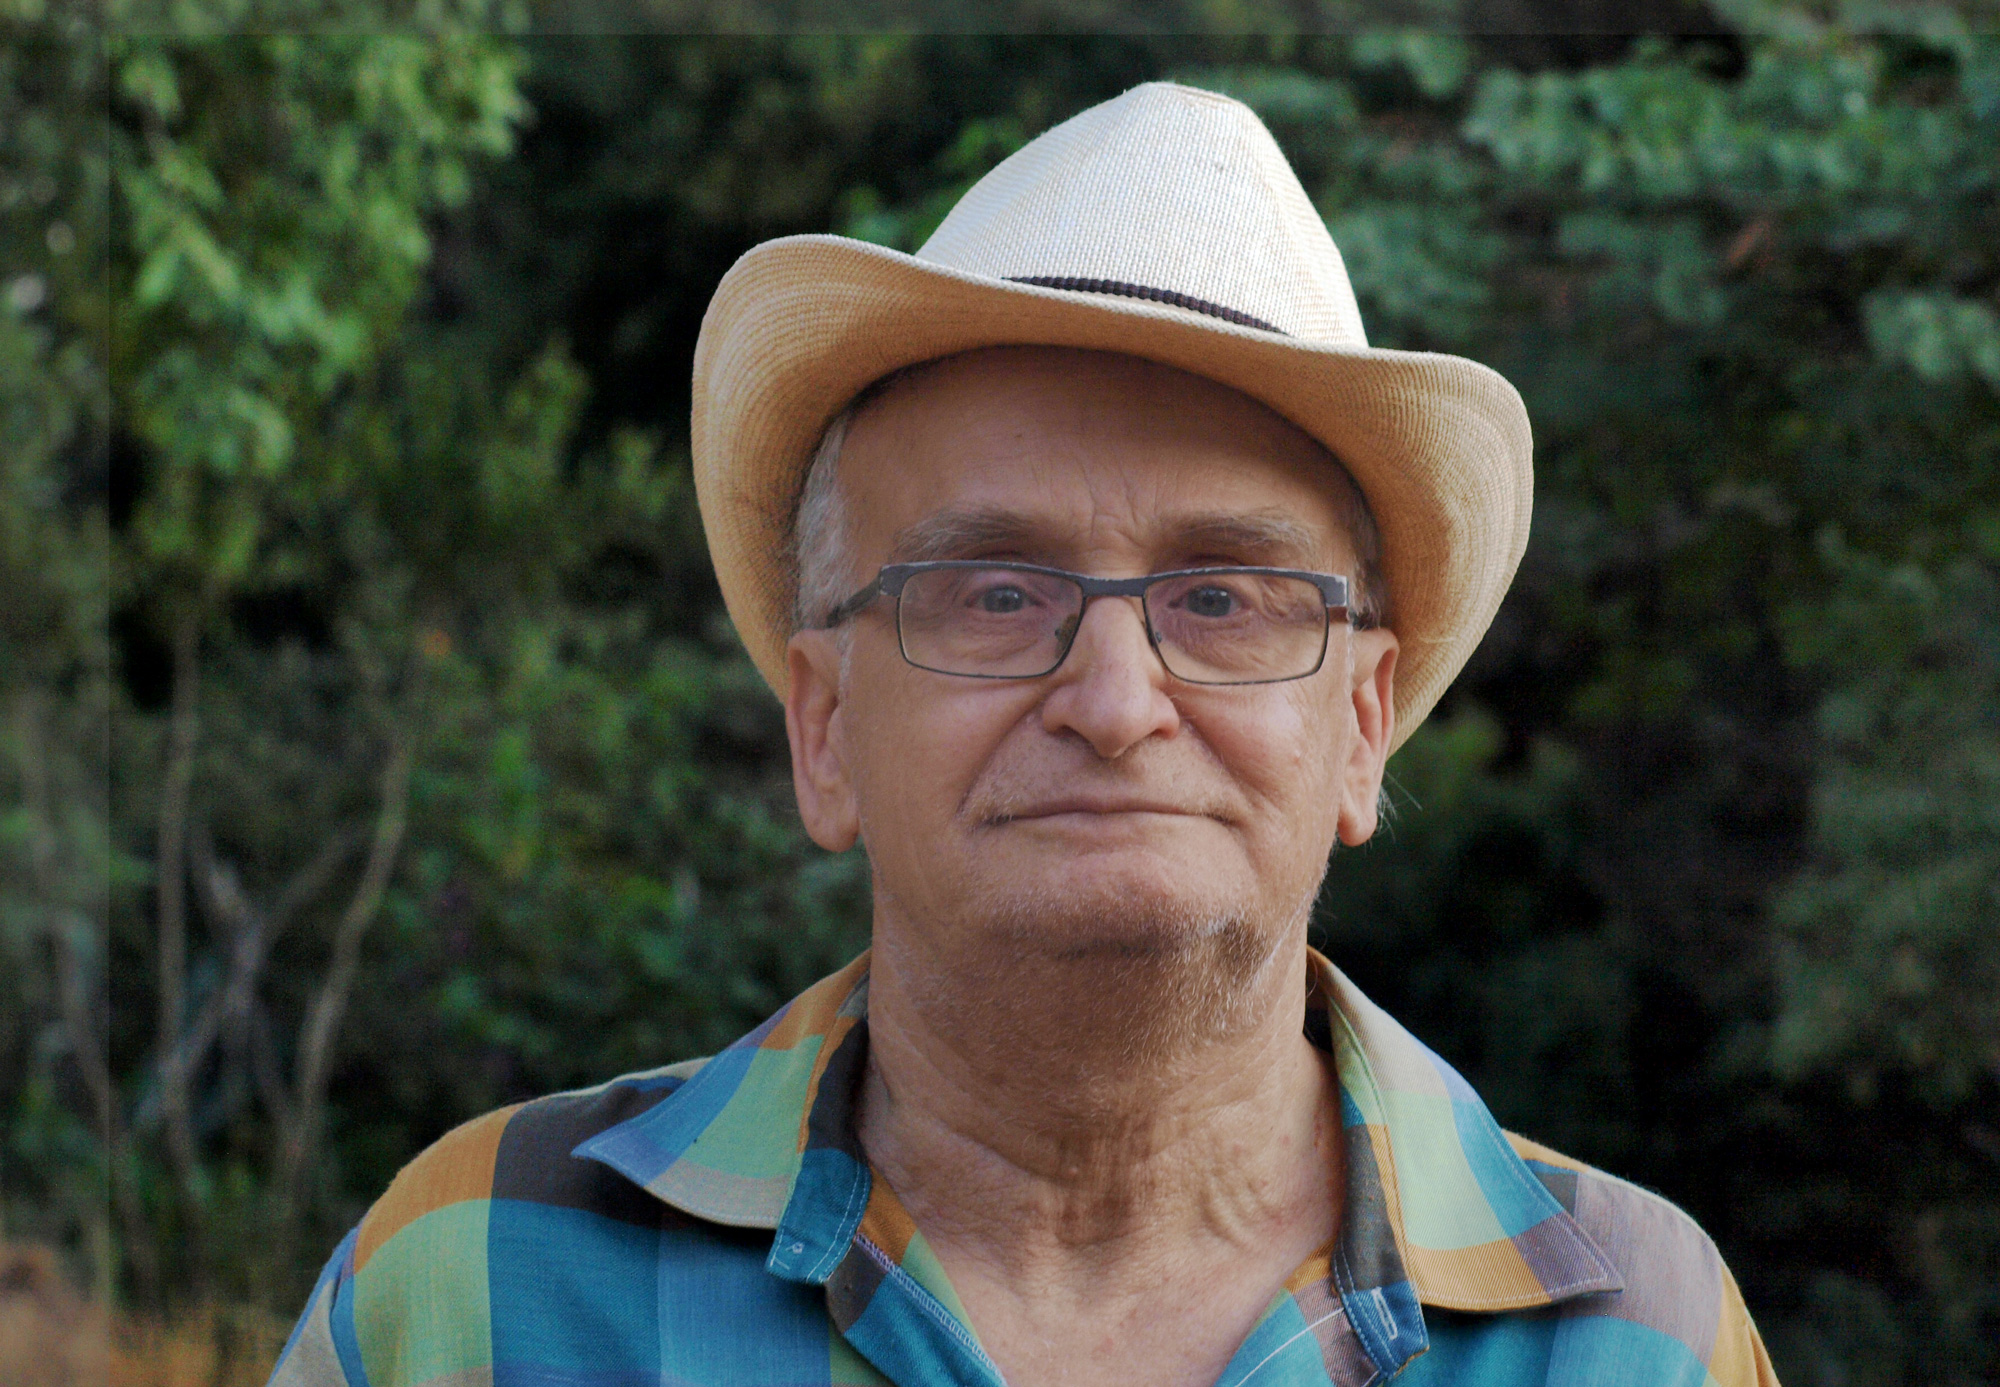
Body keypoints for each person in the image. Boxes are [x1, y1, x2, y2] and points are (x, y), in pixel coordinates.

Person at [268, 82, 1778, 1387]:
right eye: (993, 592)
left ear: (1363, 724)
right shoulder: (474, 1290)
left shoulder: (1639, 1340)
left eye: (1224, 599)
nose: (1118, 706)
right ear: (827, 726)